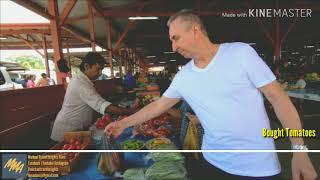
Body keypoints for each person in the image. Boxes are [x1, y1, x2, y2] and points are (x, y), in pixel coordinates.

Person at [105, 10, 317, 179]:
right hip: (211, 163)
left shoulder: (240, 53)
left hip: (256, 167)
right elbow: (159, 105)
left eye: (176, 38)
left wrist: (299, 149)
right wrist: (124, 123)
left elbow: (278, 98)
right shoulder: (184, 76)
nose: (174, 46)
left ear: (195, 30)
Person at [51, 52, 137, 142]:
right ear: (87, 66)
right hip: (66, 131)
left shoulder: (83, 80)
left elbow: (98, 102)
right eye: (98, 69)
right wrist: (131, 111)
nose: (100, 73)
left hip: (76, 130)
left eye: (101, 70)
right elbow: (104, 106)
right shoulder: (80, 83)